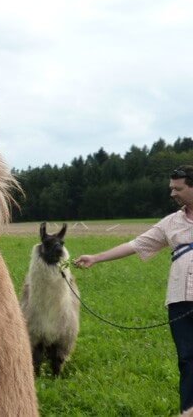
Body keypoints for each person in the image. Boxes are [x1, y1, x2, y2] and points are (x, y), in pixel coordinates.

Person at [75, 165, 193, 413]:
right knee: (188, 360)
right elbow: (136, 244)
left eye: (178, 188)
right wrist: (97, 257)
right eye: (171, 188)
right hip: (180, 301)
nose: (172, 193)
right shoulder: (170, 223)